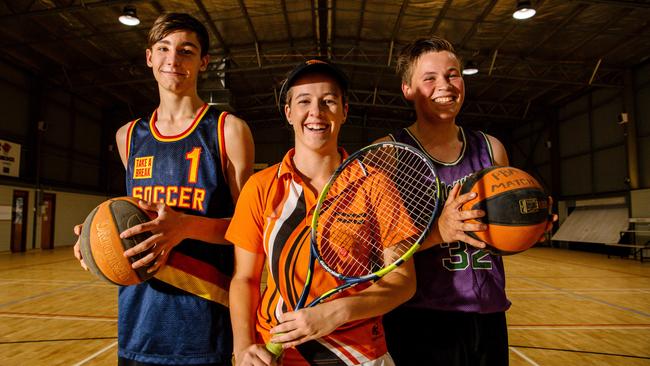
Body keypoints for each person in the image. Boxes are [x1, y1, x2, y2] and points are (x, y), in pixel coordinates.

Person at [73, 13, 255, 366]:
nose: (173, 60)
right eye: (164, 48)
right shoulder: (128, 136)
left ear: (203, 62)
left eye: (186, 51)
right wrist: (94, 238)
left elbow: (249, 230)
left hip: (205, 318)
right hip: (138, 322)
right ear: (149, 57)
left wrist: (185, 226)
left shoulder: (227, 130)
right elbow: (130, 216)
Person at [226, 60, 416, 366]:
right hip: (276, 352)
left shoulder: (375, 185)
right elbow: (245, 279)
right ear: (288, 113)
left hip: (358, 354)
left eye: (328, 101)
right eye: (304, 101)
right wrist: (244, 345)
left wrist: (337, 312)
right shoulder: (260, 187)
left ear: (344, 111)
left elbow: (403, 281)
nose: (316, 112)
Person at [376, 36, 514, 366]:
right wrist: (440, 231)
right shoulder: (388, 153)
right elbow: (375, 253)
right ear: (408, 89)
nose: (446, 85)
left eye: (453, 74)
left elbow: (502, 236)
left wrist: (529, 221)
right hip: (419, 317)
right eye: (430, 78)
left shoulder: (491, 149)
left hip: (489, 312)